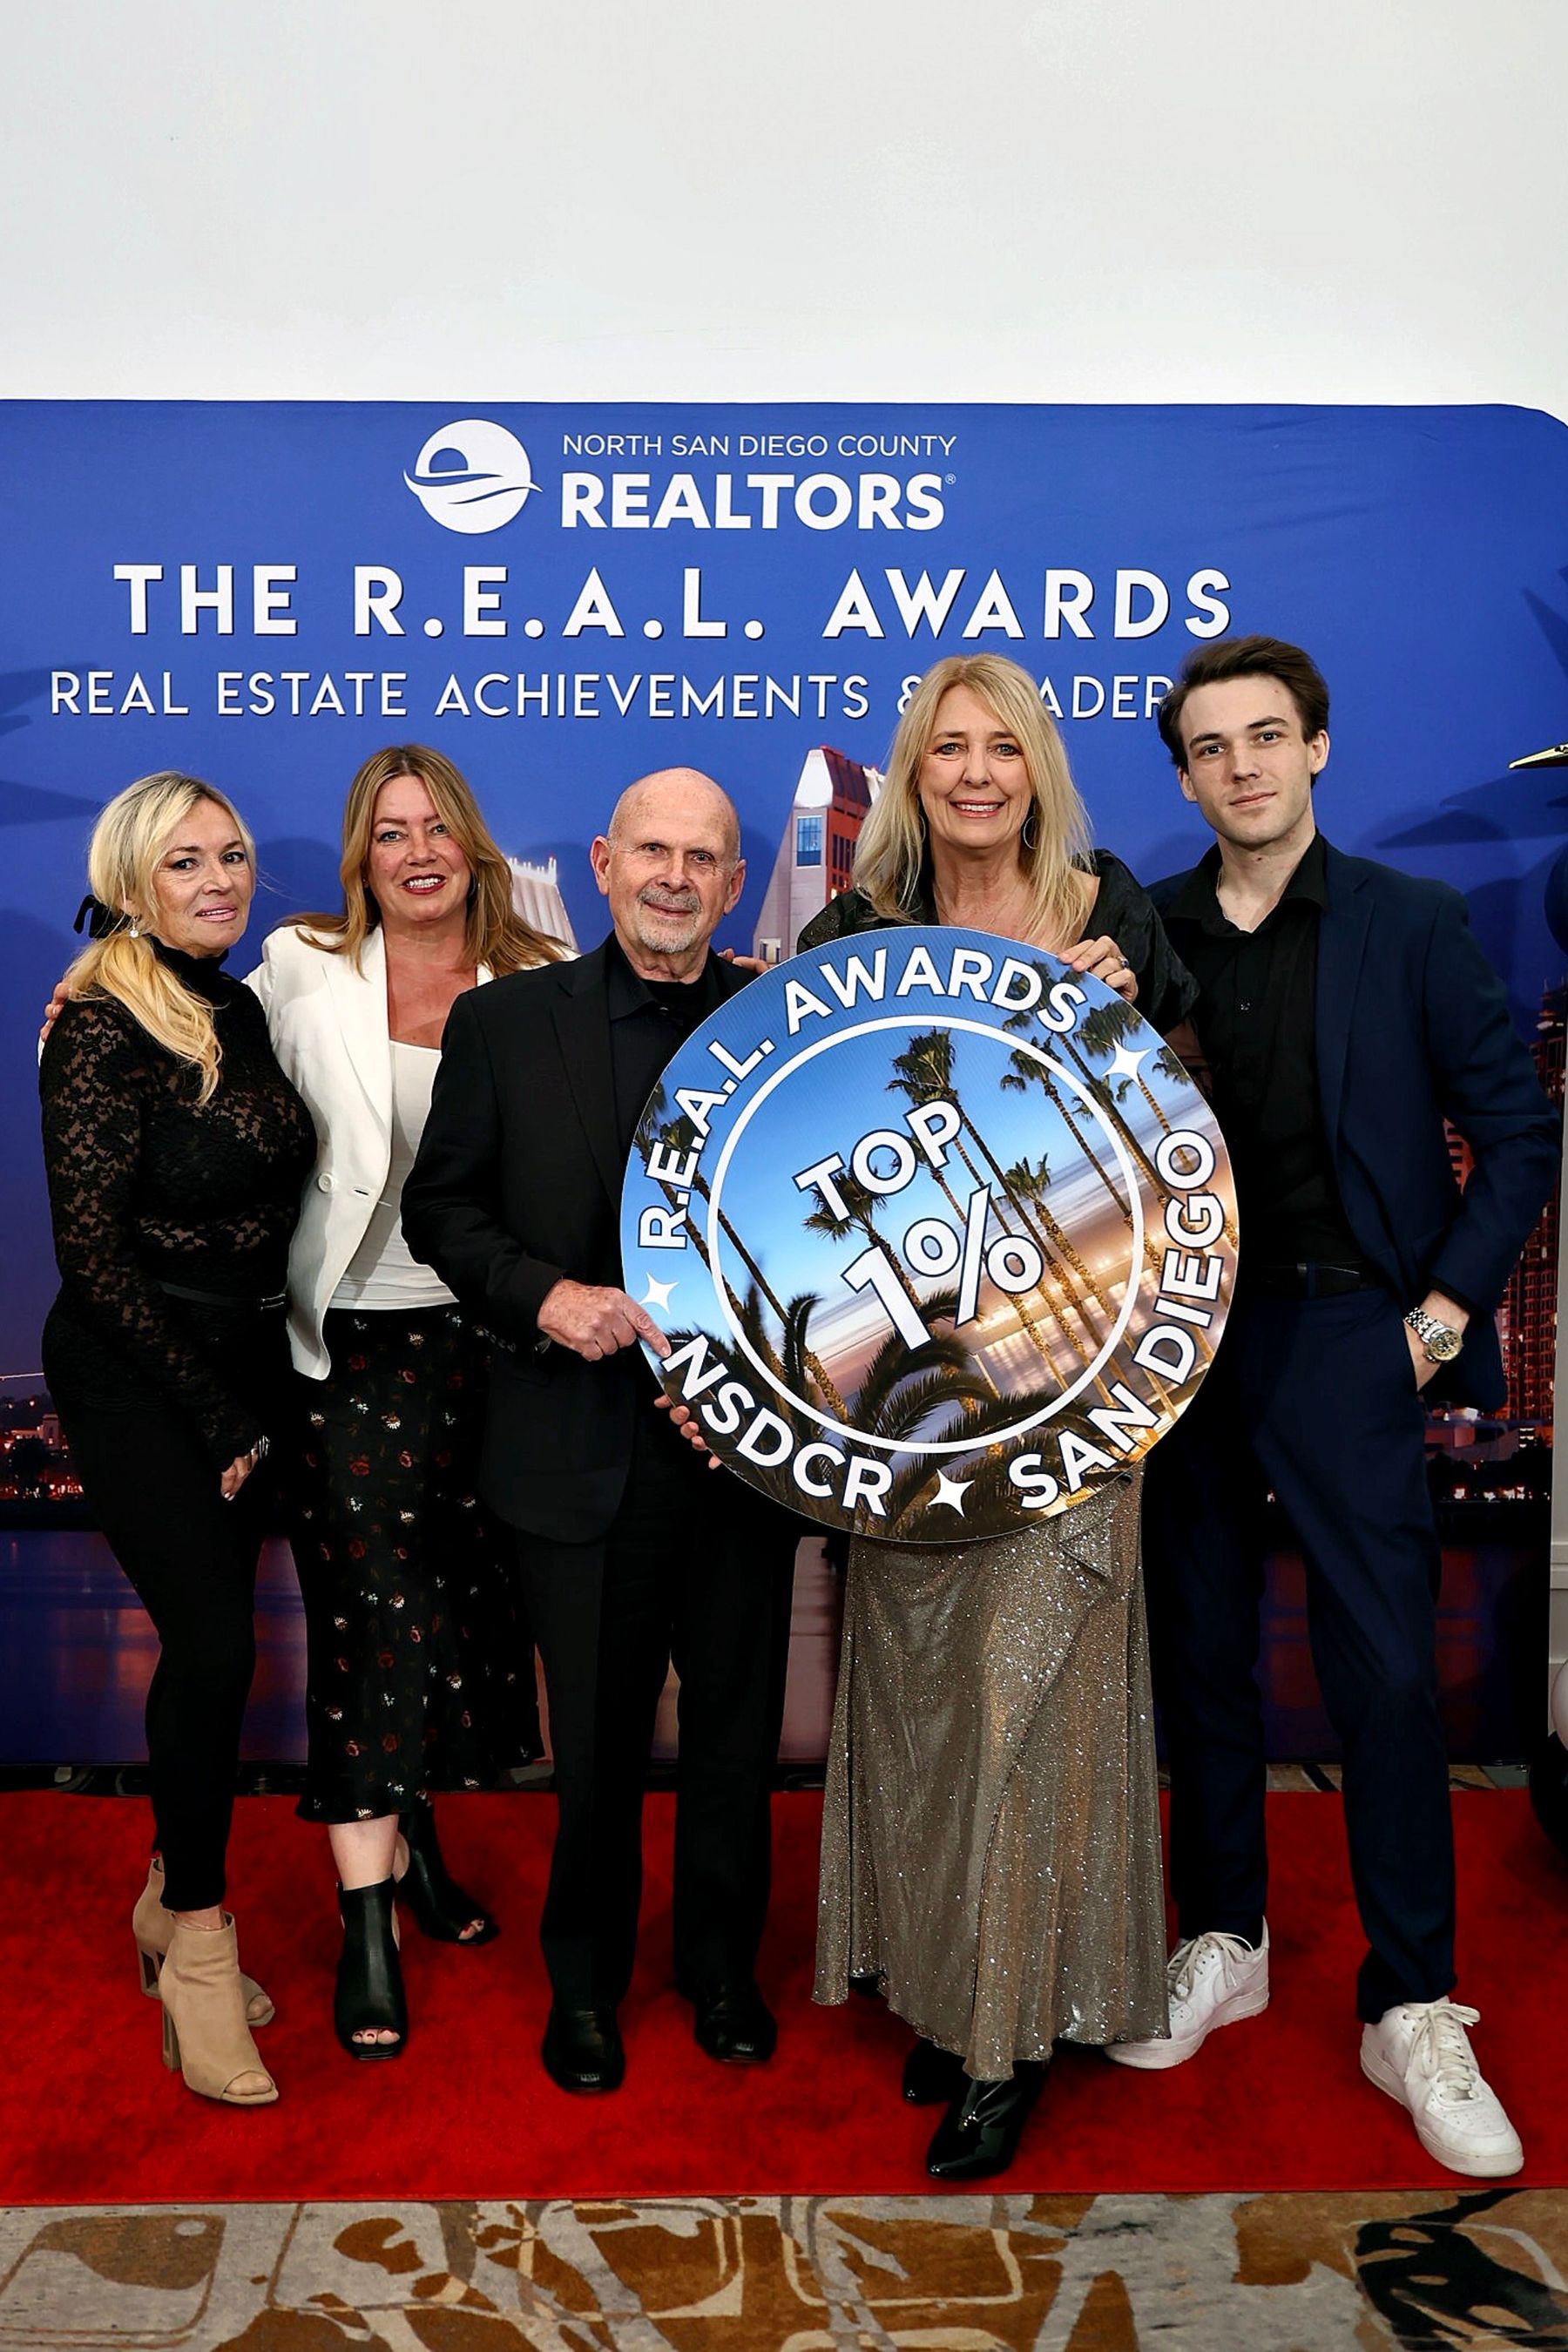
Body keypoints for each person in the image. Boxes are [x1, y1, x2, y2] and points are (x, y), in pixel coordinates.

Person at [1112, 635, 1559, 2180]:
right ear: (1184, 778)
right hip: (1178, 1341)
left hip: (1349, 1333)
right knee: (1201, 1651)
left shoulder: (1409, 922)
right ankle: (1225, 1939)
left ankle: (1412, 2002)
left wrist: (1438, 1317)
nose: (1240, 766)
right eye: (1210, 747)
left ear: (1315, 749)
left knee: (1385, 1674)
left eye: (1266, 736)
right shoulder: (1142, 934)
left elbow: (1516, 1132)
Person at [798, 652, 1196, 2180]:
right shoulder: (854, 938)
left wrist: (1134, 1032)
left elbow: (1191, 1151)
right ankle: (946, 1979)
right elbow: (795, 1158)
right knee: (923, 1701)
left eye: (1002, 747)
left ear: (1039, 769)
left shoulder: (1114, 918)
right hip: (905, 1400)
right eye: (948, 748)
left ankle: (1010, 2036)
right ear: (917, 773)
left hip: (1078, 1383)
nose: (975, 773)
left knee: (1033, 1705)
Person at [401, 767, 801, 2094]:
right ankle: (584, 1986)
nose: (674, 878)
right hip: (572, 1453)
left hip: (742, 1461)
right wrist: (545, 1298)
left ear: (733, 886)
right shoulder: (505, 1024)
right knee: (596, 1751)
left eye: (702, 858)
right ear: (603, 863)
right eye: (652, 852)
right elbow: (442, 1212)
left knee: (736, 1742)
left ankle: (723, 1972)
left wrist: (771, 1387)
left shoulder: (786, 1023)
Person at [251, 745, 563, 2059]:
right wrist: (95, 995)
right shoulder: (300, 967)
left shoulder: (542, 974)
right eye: (391, 834)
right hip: (348, 1348)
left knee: (460, 1615)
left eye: (437, 828)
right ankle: (367, 1926)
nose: (418, 852)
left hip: (495, 1346)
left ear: (473, 844)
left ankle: (419, 1840)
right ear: (361, 859)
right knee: (372, 1619)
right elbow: (198, 1048)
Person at [39, 772, 315, 2107]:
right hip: (139, 1374)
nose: (219, 881)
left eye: (233, 855)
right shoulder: (98, 1023)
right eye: (186, 862)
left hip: (247, 1363)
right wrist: (213, 1411)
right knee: (213, 1649)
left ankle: (164, 1895)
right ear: (131, 880)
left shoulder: (239, 1004)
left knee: (219, 1653)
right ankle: (198, 1942)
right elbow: (91, 1256)